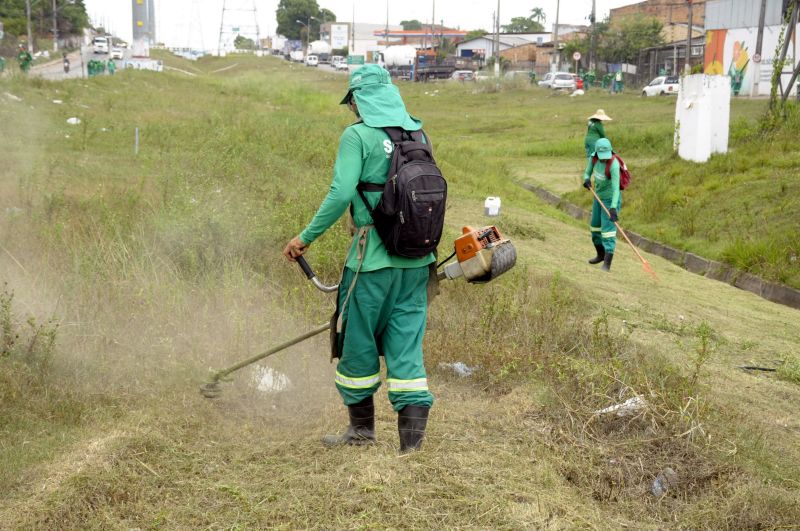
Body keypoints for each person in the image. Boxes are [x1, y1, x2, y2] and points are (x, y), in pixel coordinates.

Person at [282, 64, 436, 453]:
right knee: (406, 345)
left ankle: (362, 431)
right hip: (418, 262)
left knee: (358, 342)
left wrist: (305, 237)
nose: (352, 109)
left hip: (370, 262)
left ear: (358, 100)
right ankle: (411, 448)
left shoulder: (357, 136)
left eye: (352, 102)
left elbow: (340, 193)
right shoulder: (419, 134)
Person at [582, 138, 620, 272]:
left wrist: (613, 207)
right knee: (595, 228)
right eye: (601, 157)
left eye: (606, 157)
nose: (604, 159)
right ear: (597, 153)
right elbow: (587, 172)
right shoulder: (593, 159)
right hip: (598, 198)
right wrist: (586, 179)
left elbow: (616, 189)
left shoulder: (614, 164)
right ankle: (600, 255)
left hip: (610, 200)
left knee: (608, 232)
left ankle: (607, 265)